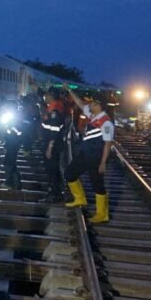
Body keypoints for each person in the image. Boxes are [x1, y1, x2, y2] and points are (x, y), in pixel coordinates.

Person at [64, 89, 114, 224]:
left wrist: (103, 162)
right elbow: (80, 103)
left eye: (92, 104)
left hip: (96, 157)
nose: (89, 105)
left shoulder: (106, 122)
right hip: (85, 153)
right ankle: (80, 199)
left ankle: (102, 214)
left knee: (97, 184)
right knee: (69, 174)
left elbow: (108, 144)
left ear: (98, 106)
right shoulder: (92, 116)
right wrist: (69, 90)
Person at [39, 88, 65, 203]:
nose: (45, 96)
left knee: (51, 169)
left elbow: (54, 131)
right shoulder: (53, 108)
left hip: (52, 145)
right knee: (53, 169)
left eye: (47, 94)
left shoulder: (54, 112)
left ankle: (53, 194)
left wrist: (49, 147)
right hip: (52, 144)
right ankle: (56, 192)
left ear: (51, 96)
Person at [1, 104, 24, 190]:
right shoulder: (12, 119)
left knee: (8, 163)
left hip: (13, 144)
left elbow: (15, 132)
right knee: (11, 163)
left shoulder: (14, 119)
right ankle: (16, 182)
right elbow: (8, 134)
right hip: (12, 143)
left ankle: (9, 182)